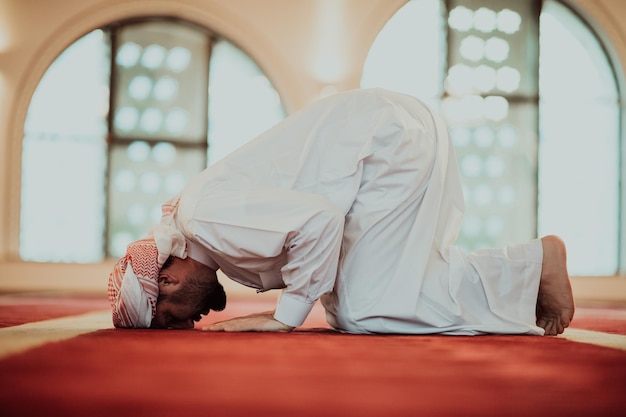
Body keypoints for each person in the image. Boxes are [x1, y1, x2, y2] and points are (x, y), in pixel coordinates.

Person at [107, 88, 575, 336]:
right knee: (362, 300)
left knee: (364, 308)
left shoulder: (203, 219)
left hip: (384, 143)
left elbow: (320, 220)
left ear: (165, 281)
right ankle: (527, 273)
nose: (189, 325)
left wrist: (284, 317)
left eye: (169, 318)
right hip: (384, 141)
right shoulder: (205, 226)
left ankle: (532, 267)